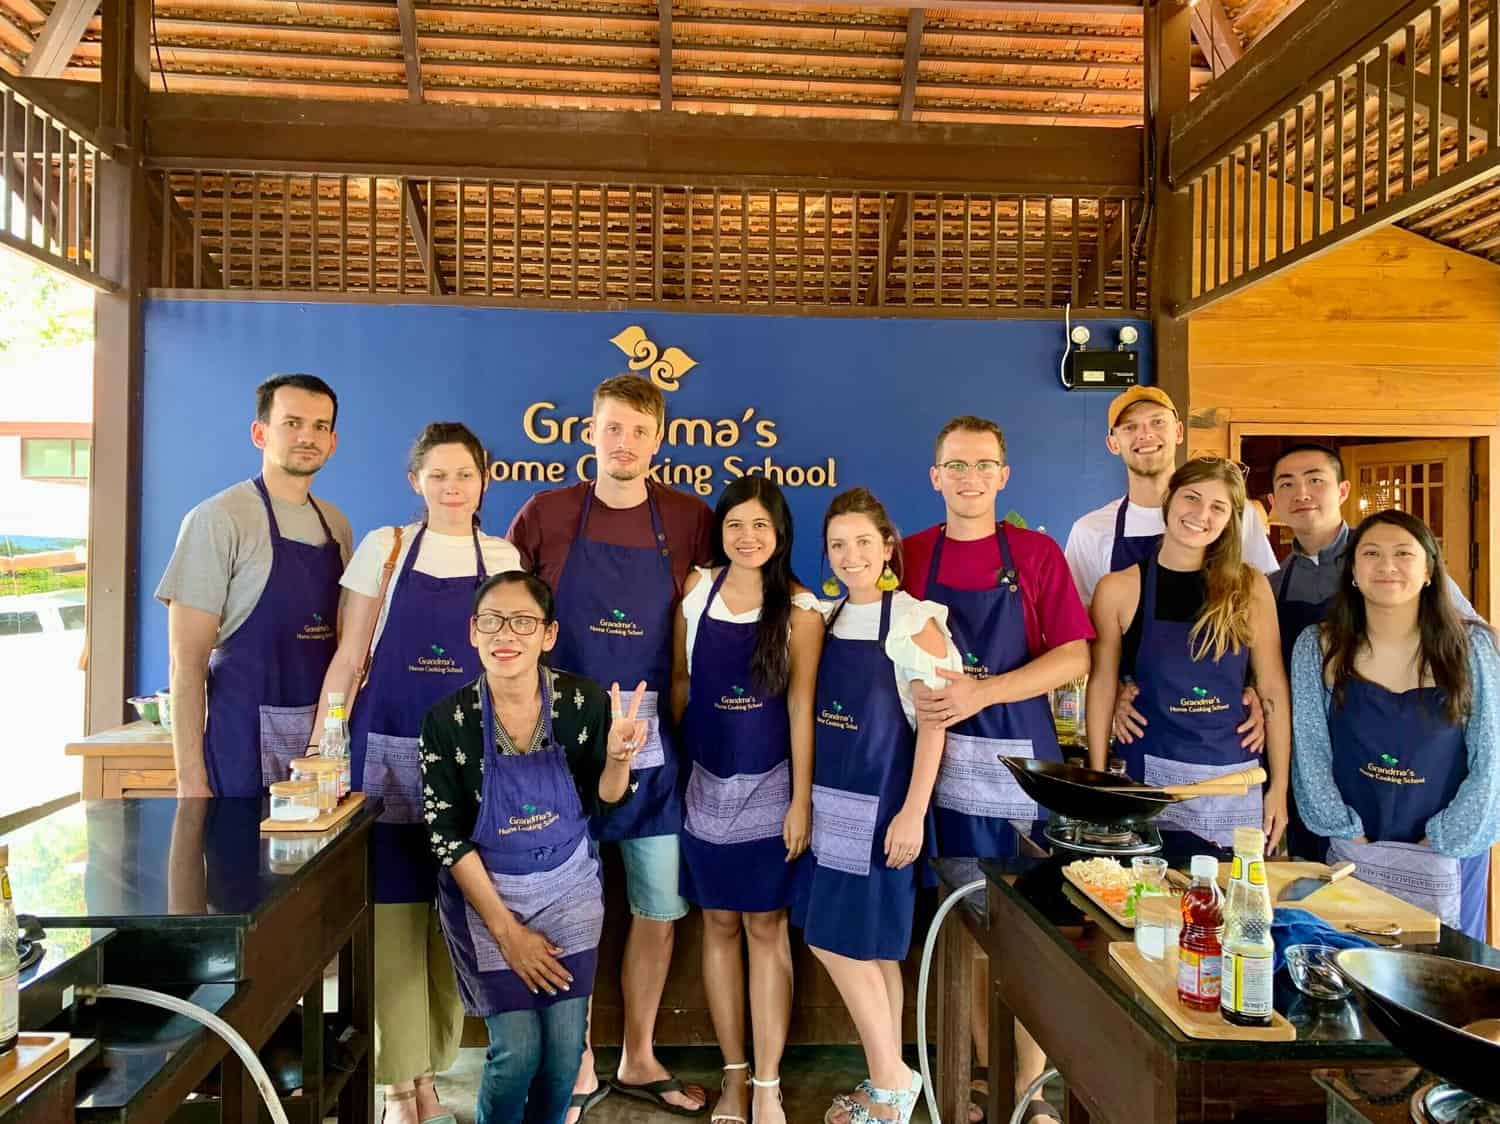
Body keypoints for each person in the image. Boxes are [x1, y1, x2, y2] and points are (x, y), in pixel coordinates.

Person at [507, 374, 712, 1118]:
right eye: (611, 428)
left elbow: (725, 608)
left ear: (659, 441)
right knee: (562, 910)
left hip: (659, 748)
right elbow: (506, 618)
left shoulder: (691, 518)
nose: (623, 443)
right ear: (588, 432)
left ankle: (640, 1053)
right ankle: (576, 1061)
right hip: (559, 744)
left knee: (658, 909)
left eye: (639, 431)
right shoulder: (546, 513)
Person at [309, 422, 521, 1124]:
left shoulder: (503, 555)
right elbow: (348, 658)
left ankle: (434, 1065)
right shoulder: (386, 548)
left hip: (471, 759)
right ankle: (403, 1087)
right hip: (386, 754)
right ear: (415, 482)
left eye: (465, 474)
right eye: (438, 475)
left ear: (485, 480)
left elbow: (515, 668)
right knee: (393, 915)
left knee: (451, 916)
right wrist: (324, 746)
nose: (452, 487)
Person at [901, 416, 1092, 1123]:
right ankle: (987, 1069)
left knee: (1030, 935)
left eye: (984, 465)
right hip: (941, 772)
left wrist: (984, 690)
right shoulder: (912, 554)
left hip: (1022, 770)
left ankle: (1031, 1089)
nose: (970, 478)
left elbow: (1076, 657)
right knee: (959, 926)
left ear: (1004, 476)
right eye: (956, 465)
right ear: (935, 477)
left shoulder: (1038, 555)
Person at [420, 571, 645, 1124]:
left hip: (568, 890)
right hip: (489, 898)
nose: (507, 634)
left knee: (565, 1051)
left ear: (548, 634)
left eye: (524, 622)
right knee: (515, 1053)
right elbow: (445, 837)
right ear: (473, 631)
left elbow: (606, 802)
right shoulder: (447, 722)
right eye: (493, 620)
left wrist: (618, 759)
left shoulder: (581, 702)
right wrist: (507, 931)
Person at [797, 488, 957, 1124]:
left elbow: (934, 726)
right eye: (838, 544)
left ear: (888, 546)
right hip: (832, 808)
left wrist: (913, 812)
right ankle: (888, 1081)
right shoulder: (829, 618)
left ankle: (891, 1083)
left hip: (883, 811)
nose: (850, 554)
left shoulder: (916, 620)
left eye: (864, 541)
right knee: (871, 950)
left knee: (833, 942)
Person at [672, 476, 821, 1124]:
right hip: (705, 786)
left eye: (761, 525)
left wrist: (802, 803)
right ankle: (733, 1075)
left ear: (780, 533)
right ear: (720, 531)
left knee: (766, 928)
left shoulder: (801, 609)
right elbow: (680, 684)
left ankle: (767, 1084)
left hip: (772, 790)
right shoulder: (696, 593)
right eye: (736, 524)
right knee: (718, 925)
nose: (748, 537)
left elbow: (802, 709)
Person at [1291, 510, 1499, 940]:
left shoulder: (1473, 647)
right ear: (1352, 572)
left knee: (1444, 986)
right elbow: (1310, 751)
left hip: (1449, 857)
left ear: (1428, 571)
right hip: (1351, 848)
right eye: (1371, 553)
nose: (1387, 566)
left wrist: (1441, 843)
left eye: (1404, 553)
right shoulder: (1317, 646)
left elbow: (1493, 761)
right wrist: (1347, 835)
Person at [156, 373, 352, 798]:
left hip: (317, 752)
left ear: (333, 442)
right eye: (292, 422)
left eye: (320, 427)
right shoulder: (217, 519)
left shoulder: (336, 525)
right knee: (238, 863)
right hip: (241, 745)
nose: (308, 436)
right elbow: (185, 665)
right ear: (260, 433)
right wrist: (192, 782)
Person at [1087, 456, 1291, 849]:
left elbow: (1272, 689)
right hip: (1148, 775)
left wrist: (1278, 787)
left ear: (1231, 519)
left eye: (1218, 507)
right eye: (1191, 498)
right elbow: (1101, 683)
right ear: (1170, 499)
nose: (1201, 514)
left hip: (1235, 778)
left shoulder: (1250, 587)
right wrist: (1098, 782)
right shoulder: (1118, 589)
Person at [1064, 385, 1280, 607]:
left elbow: (1262, 602)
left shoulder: (1233, 514)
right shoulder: (1089, 531)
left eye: (1157, 422)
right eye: (1130, 427)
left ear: (1178, 431)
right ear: (1113, 444)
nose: (1145, 434)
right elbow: (1079, 621)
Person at [1270, 442, 1478, 670]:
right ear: (1274, 502)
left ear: (1343, 491)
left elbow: (1472, 633)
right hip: (1305, 702)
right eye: (1287, 484)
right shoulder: (1273, 583)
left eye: (1315, 480)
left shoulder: (1391, 560)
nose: (1301, 494)